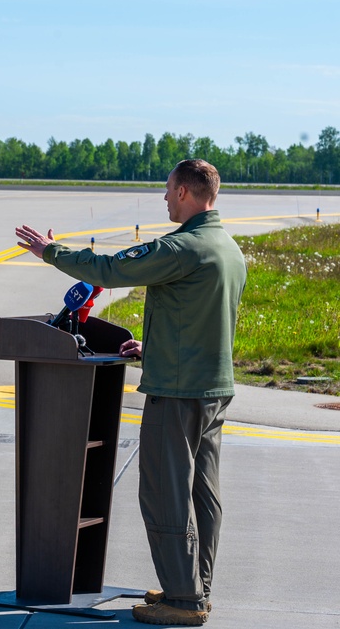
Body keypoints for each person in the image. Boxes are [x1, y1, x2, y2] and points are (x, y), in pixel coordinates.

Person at [15, 159, 246, 626]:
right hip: (212, 389)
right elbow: (203, 321)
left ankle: (182, 601)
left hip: (178, 393)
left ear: (184, 192)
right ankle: (195, 585)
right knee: (203, 494)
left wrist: (51, 251)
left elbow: (111, 269)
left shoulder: (184, 246)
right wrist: (154, 346)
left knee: (165, 493)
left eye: (167, 189)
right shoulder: (228, 248)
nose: (163, 198)